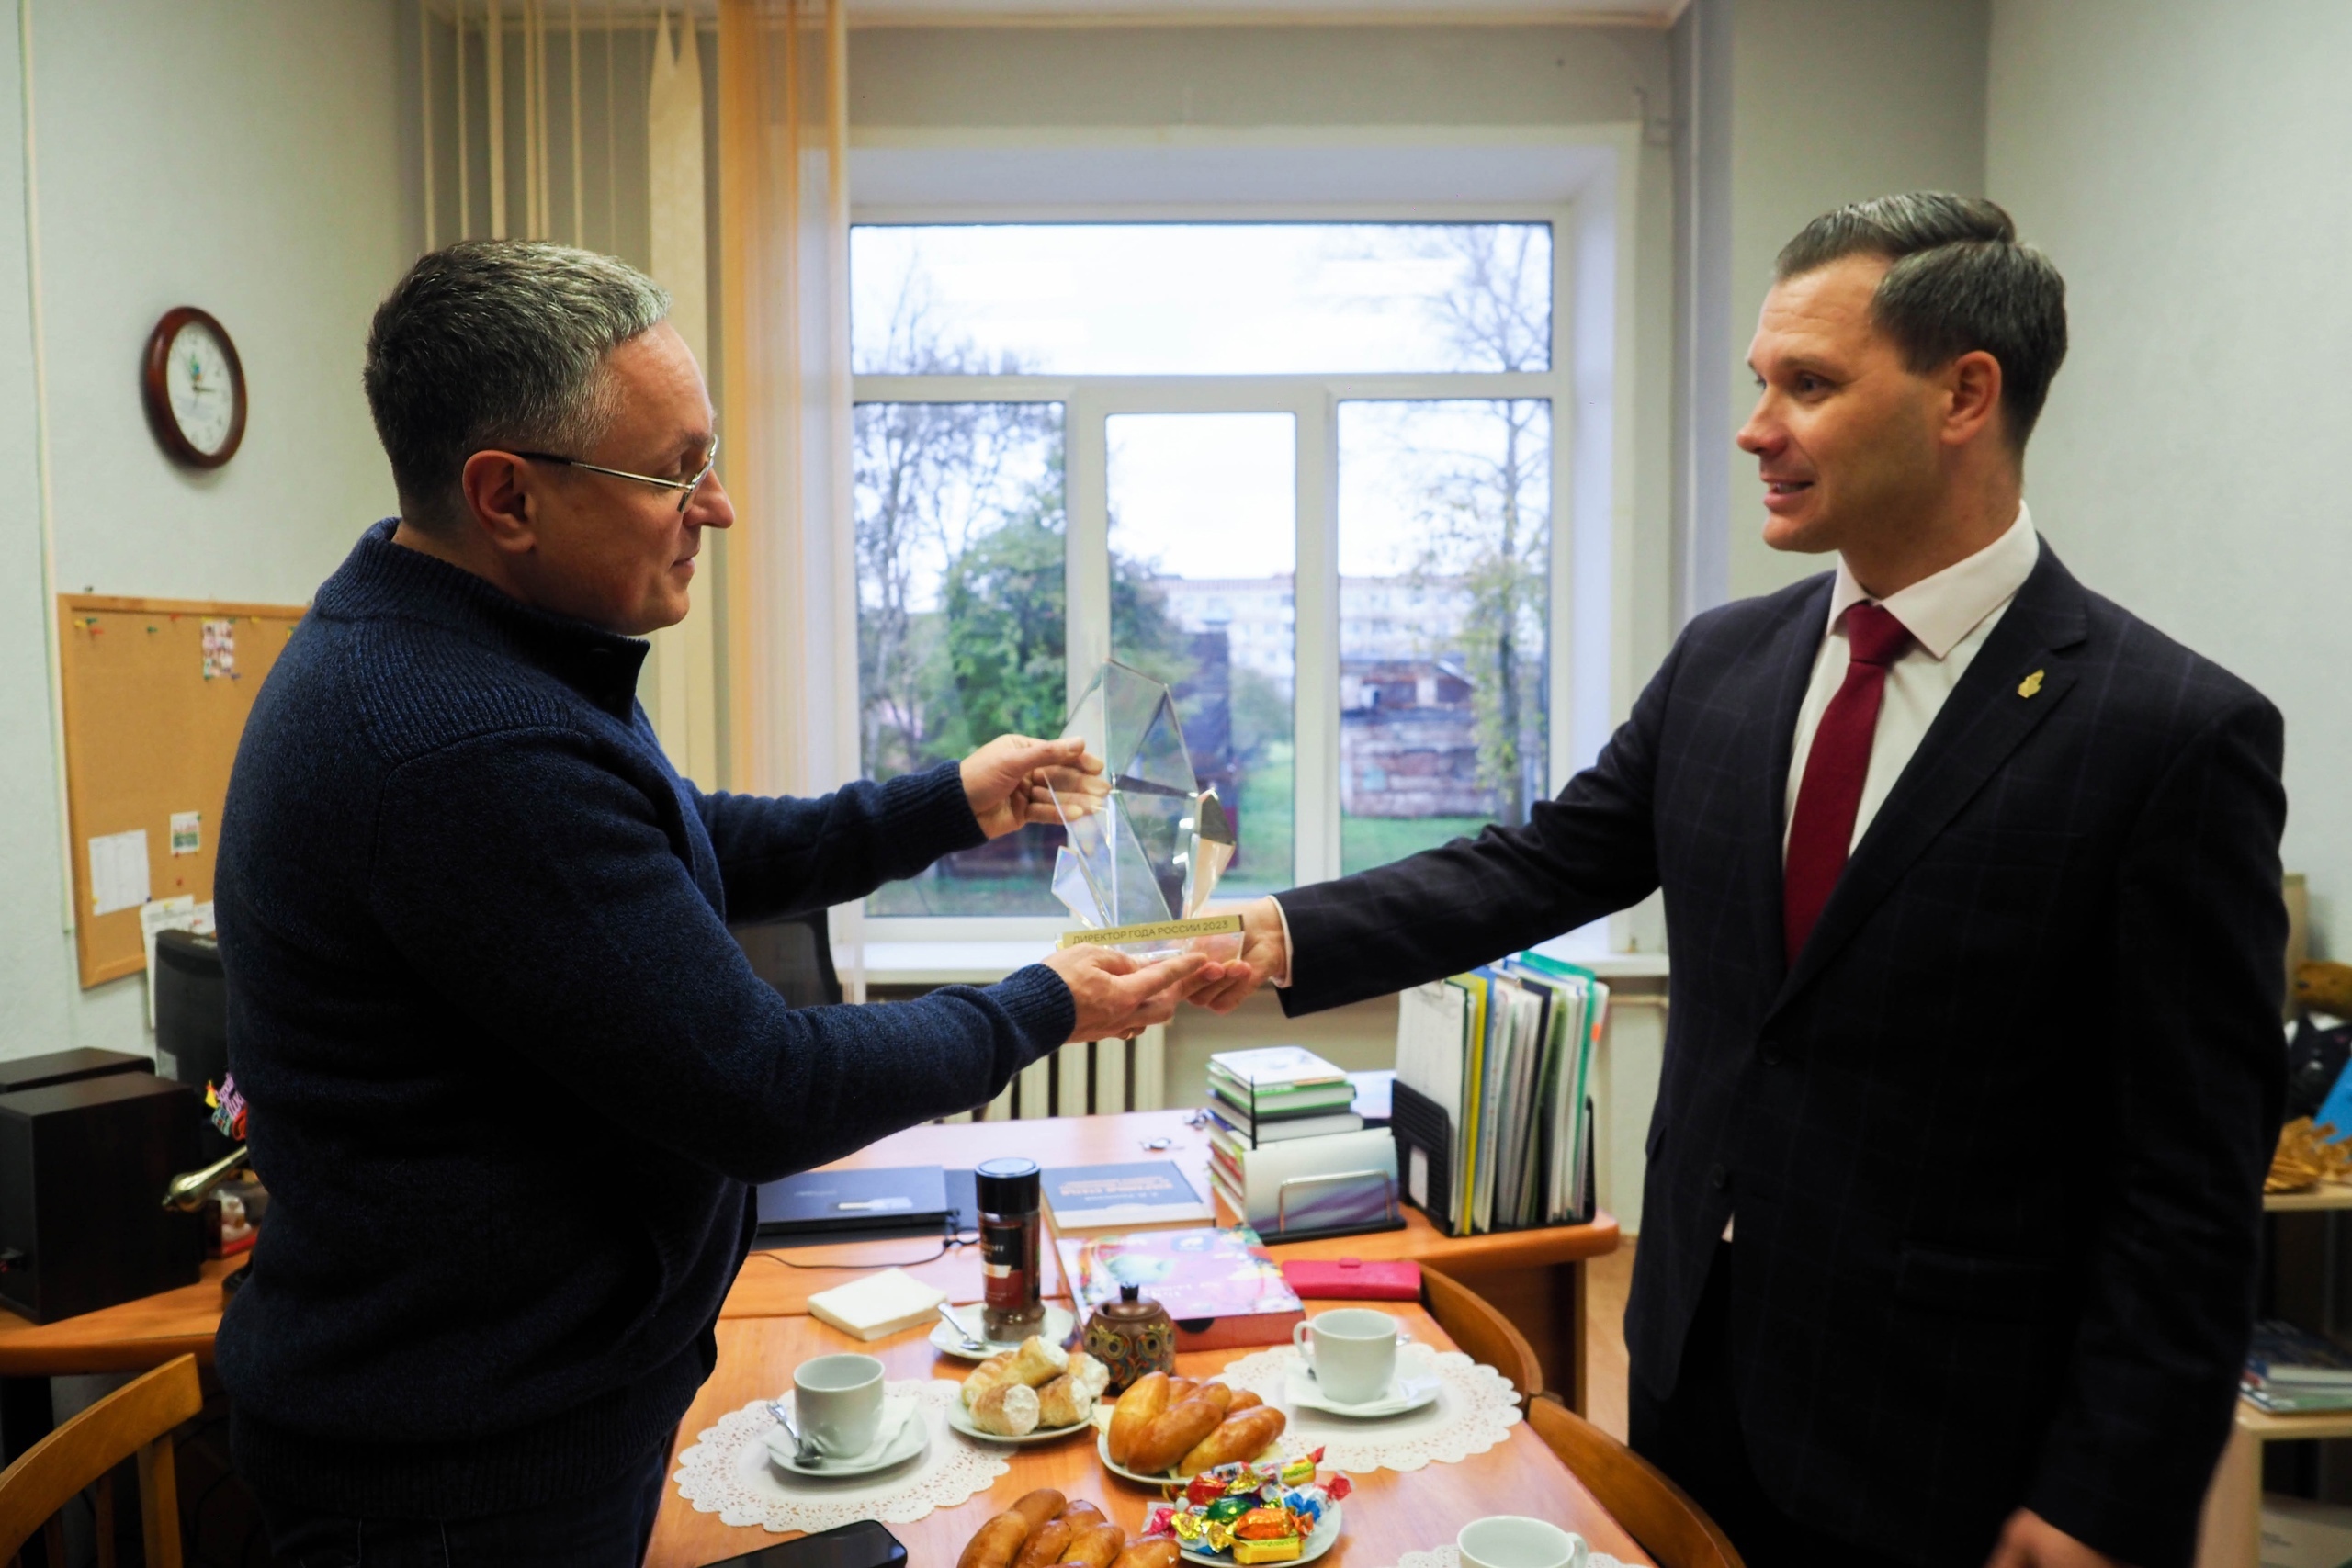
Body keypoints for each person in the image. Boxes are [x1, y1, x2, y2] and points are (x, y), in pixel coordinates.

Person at [1193, 195, 2284, 1568]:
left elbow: (2191, 1179)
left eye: (1808, 385)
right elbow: (1545, 862)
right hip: (1691, 1377)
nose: (1756, 428)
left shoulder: (2169, 734)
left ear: (1965, 395)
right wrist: (1273, 931)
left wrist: (2105, 1496)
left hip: (1958, 1444)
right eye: (1761, 382)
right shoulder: (1726, 662)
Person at [214, 240, 1217, 1567]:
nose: (720, 507)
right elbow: (761, 1088)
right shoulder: (463, 745)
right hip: (460, 1480)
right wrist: (1046, 1004)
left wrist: (948, 804)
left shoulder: (460, 656)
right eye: (674, 470)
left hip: (498, 1420)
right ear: (507, 495)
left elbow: (676, 848)